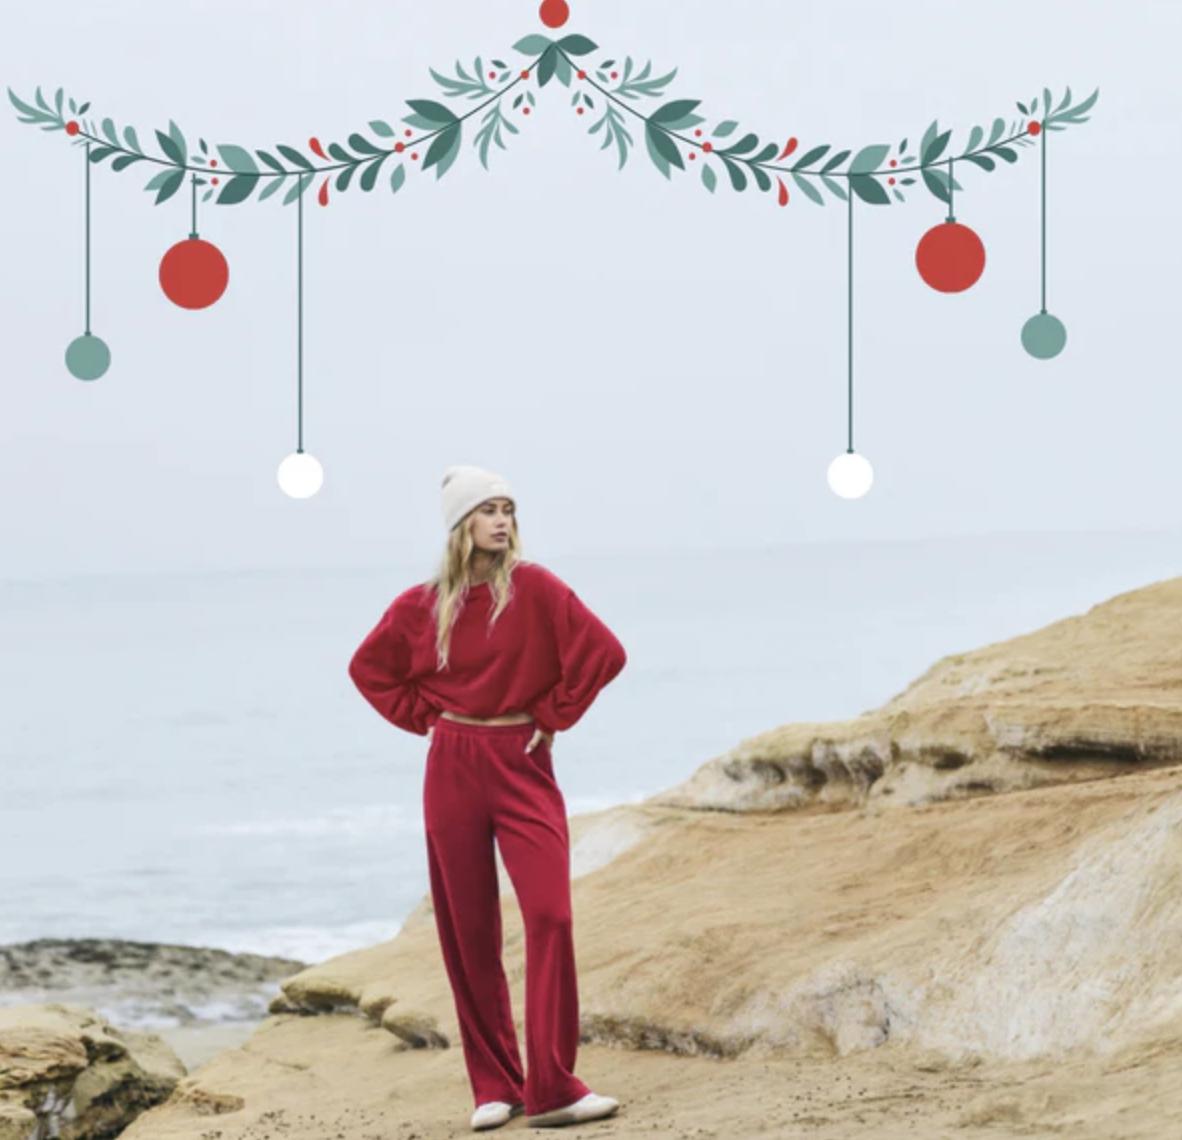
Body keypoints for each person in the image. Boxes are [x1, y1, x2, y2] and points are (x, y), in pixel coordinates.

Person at [348, 465, 627, 1132]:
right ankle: (495, 1086)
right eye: (488, 510)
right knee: (468, 931)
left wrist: (552, 716)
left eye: (508, 509)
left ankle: (554, 1085)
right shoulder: (421, 605)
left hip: (521, 762)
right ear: (460, 525)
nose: (502, 520)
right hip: (452, 767)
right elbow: (369, 670)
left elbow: (604, 653)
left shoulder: (535, 588)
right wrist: (430, 721)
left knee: (550, 916)